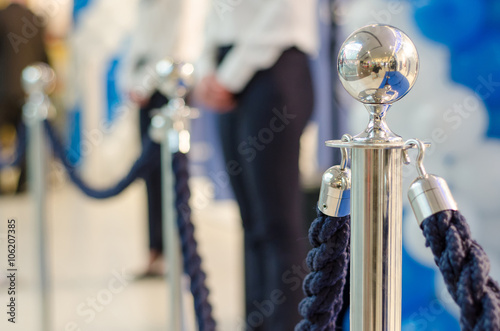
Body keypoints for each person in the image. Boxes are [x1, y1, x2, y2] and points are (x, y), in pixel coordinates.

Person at [194, 1, 319, 329]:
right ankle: (258, 321)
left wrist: (228, 76)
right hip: (228, 63)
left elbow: (282, 15)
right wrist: (207, 69)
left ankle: (288, 322)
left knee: (277, 221)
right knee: (251, 220)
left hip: (273, 65)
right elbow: (214, 15)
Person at [121, 0, 183, 277]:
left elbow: (172, 44)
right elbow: (136, 47)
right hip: (143, 95)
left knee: (170, 174)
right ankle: (154, 251)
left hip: (164, 90)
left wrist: (144, 85)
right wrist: (130, 85)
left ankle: (174, 251)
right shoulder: (142, 7)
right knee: (150, 173)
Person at [0, 0, 48, 193]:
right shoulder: (35, 19)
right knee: (28, 137)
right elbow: (43, 56)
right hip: (28, 90)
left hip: (3, 89)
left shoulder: (2, 16)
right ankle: (23, 182)